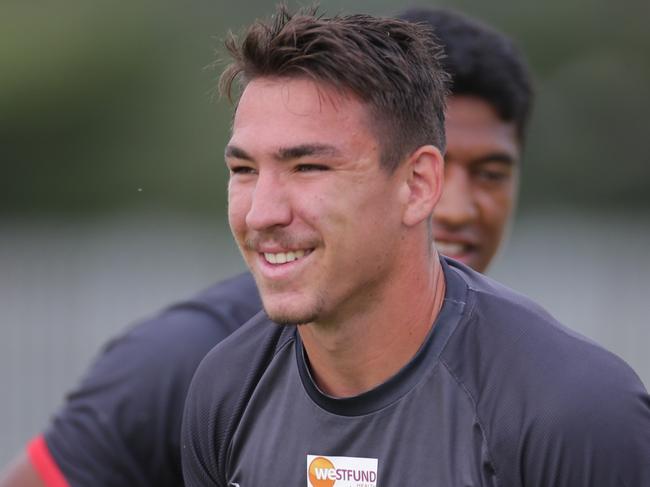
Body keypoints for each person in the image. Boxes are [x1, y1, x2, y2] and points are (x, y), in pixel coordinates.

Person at [1, 7, 536, 487]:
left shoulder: (529, 384)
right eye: (249, 169)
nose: (458, 205)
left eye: (489, 172)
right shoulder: (190, 360)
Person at [181, 6, 650, 487]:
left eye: (308, 168)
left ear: (418, 183)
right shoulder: (227, 391)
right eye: (244, 171)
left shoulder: (570, 412)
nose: (262, 212)